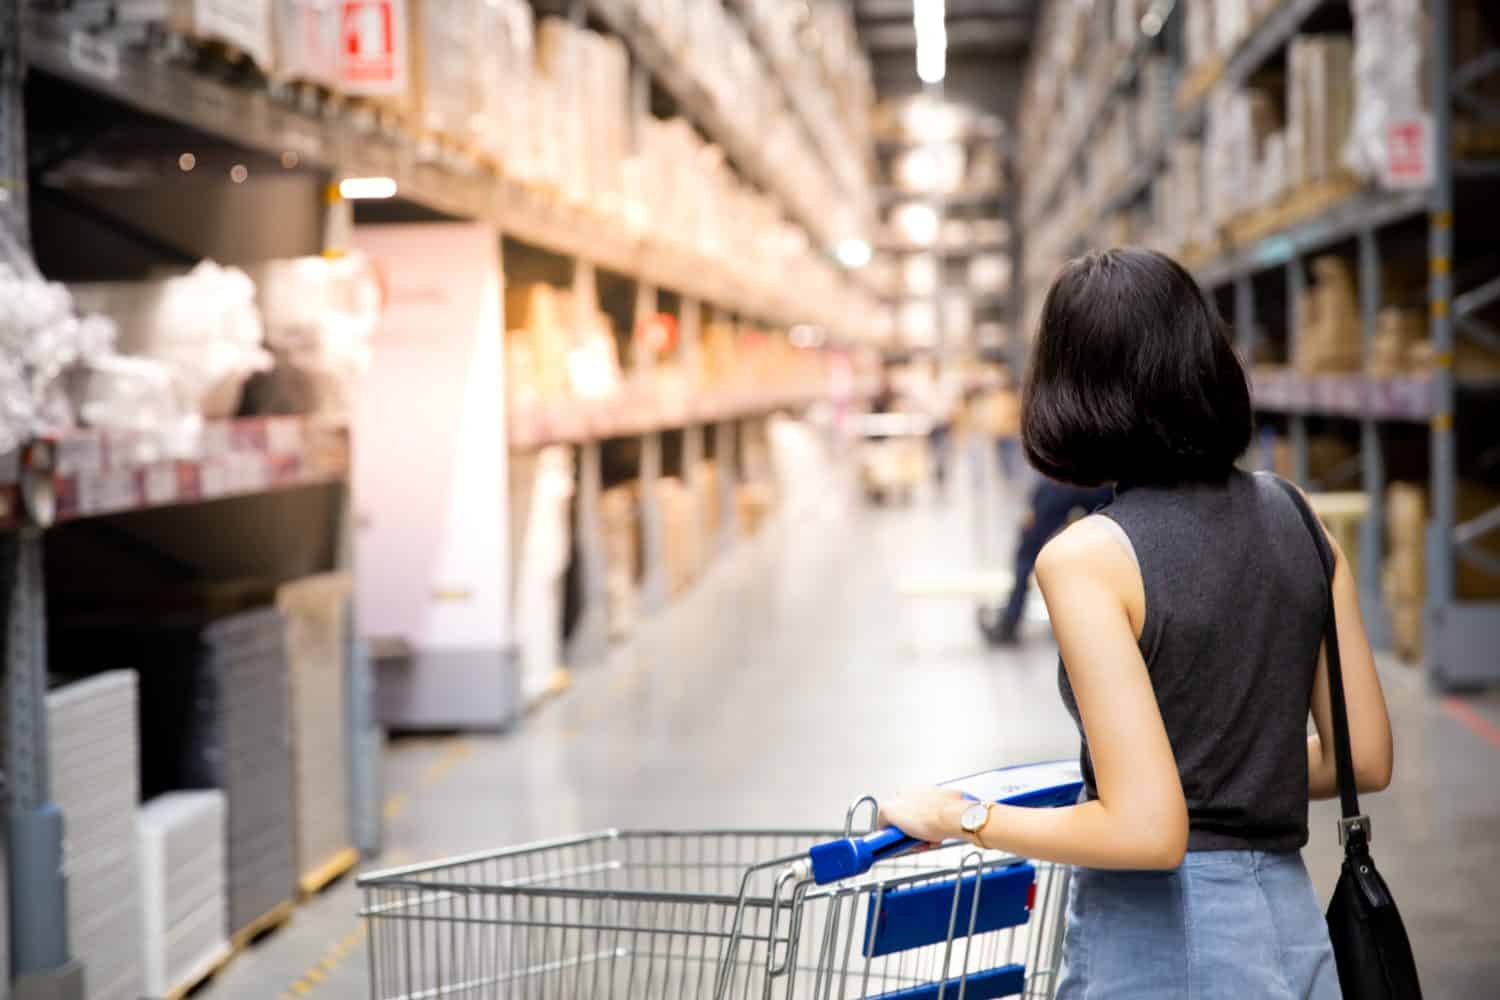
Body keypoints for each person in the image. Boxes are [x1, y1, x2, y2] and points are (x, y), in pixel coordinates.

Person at [877, 249, 1393, 999]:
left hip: (1169, 947)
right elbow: (1364, 759)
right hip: (1293, 928)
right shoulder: (1300, 517)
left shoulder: (1089, 557)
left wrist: (964, 818)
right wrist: (1227, 780)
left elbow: (1149, 833)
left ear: (1069, 387)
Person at [983, 477, 1114, 646]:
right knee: (1105, 548)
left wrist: (1034, 500)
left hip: (1062, 479)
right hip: (1101, 482)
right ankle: (1098, 617)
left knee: (1027, 554)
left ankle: (1010, 620)